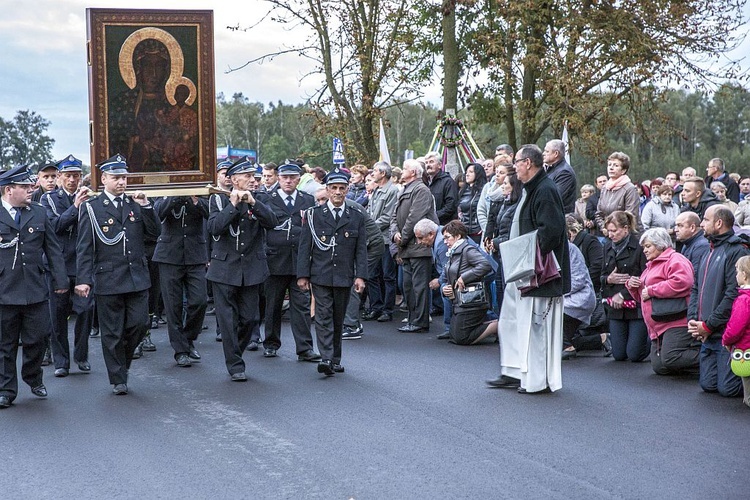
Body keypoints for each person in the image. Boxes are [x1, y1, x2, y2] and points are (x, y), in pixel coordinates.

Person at [487, 144, 570, 394]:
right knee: (511, 322)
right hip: (521, 268)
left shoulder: (545, 190)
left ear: (529, 163)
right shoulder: (529, 188)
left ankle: (536, 380)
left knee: (535, 327)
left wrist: (528, 258)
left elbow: (552, 232)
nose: (514, 167)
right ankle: (513, 371)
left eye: (517, 162)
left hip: (537, 272)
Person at [75, 154, 160, 395]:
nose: (122, 182)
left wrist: (146, 206)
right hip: (109, 278)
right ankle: (118, 378)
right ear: (104, 179)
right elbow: (84, 247)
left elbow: (155, 233)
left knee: (139, 323)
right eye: (116, 177)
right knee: (112, 332)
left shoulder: (134, 204)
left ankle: (122, 362)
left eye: (124, 177)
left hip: (136, 277)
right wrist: (83, 279)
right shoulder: (91, 208)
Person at [0, 165, 67, 409]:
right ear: (9, 190)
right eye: (25, 186)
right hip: (4, 290)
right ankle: (6, 390)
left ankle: (33, 376)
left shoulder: (38, 213)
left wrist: (61, 281)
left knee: (37, 338)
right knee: (5, 344)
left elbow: (53, 249)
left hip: (35, 289)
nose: (31, 189)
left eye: (30, 185)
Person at [206, 156, 278, 381]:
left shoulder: (261, 198)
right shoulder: (218, 200)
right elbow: (214, 228)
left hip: (251, 268)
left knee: (249, 319)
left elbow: (273, 222)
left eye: (253, 176)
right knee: (227, 320)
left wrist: (253, 203)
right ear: (234, 180)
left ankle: (236, 348)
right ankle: (235, 363)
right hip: (224, 268)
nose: (252, 180)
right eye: (247, 176)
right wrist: (234, 205)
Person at [297, 169, 367, 376]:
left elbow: (360, 248)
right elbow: (304, 247)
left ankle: (335, 358)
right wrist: (302, 275)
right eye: (334, 188)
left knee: (338, 317)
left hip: (344, 275)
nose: (338, 192)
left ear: (347, 190)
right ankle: (326, 357)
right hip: (320, 274)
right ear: (327, 190)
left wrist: (361, 275)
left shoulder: (355, 216)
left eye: (342, 188)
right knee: (323, 315)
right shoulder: (314, 215)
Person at [109, 38, 198, 172]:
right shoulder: (124, 102)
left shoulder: (172, 104)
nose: (154, 73)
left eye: (159, 66)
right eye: (148, 66)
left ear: (167, 69)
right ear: (138, 68)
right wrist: (138, 141)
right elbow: (116, 139)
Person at [261, 162, 321, 361]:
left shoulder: (307, 200)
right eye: (285, 177)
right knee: (273, 306)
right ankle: (270, 343)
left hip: (299, 262)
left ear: (298, 179)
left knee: (301, 307)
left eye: (292, 177)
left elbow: (312, 231)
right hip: (274, 260)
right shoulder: (268, 199)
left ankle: (304, 348)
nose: (288, 181)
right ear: (278, 178)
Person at [41, 155, 94, 377]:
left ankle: (81, 356)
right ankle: (61, 361)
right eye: (68, 175)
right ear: (61, 177)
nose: (72, 180)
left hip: (82, 263)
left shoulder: (90, 198)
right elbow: (55, 227)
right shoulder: (49, 199)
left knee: (85, 311)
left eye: (76, 175)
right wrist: (74, 207)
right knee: (58, 315)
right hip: (58, 265)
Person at [687, 205, 748, 397]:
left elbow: (732, 294)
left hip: (723, 335)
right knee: (708, 385)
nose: (702, 224)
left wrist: (709, 325)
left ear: (719, 223)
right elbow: (696, 287)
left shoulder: (735, 250)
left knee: (727, 389)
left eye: (705, 220)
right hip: (706, 333)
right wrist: (693, 321)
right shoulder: (708, 250)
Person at [626, 228, 700, 375]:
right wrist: (634, 287)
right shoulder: (651, 265)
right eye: (644, 247)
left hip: (676, 320)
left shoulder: (675, 259)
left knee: (670, 358)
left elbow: (683, 282)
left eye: (648, 246)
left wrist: (652, 290)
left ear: (660, 245)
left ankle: (711, 357)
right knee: (660, 367)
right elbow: (644, 297)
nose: (645, 251)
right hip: (658, 323)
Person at [152, 193, 209, 367]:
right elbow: (157, 215)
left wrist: (194, 198)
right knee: (173, 305)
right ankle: (181, 350)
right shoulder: (164, 196)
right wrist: (174, 196)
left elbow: (210, 215)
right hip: (169, 256)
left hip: (195, 254)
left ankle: (188, 337)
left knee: (200, 301)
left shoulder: (201, 195)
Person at [391, 159, 439, 333]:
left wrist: (401, 239)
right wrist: (394, 233)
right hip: (407, 247)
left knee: (419, 287)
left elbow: (414, 218)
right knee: (408, 286)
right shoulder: (405, 189)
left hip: (419, 247)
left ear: (413, 172)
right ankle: (413, 319)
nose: (402, 171)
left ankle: (420, 321)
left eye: (405, 168)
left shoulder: (421, 190)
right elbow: (394, 216)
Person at [601, 211, 649, 362]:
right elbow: (600, 275)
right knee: (619, 355)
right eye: (608, 231)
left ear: (626, 228)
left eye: (614, 231)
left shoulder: (639, 248)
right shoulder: (607, 247)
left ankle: (652, 342)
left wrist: (623, 294)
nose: (610, 235)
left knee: (634, 355)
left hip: (634, 306)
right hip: (615, 307)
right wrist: (608, 279)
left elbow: (644, 276)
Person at [440, 221, 497, 345]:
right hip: (460, 302)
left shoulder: (467, 249)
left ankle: (497, 326)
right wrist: (445, 288)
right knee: (454, 336)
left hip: (472, 301)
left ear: (458, 236)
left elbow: (485, 265)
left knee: (462, 338)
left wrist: (464, 278)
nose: (445, 241)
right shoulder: (452, 253)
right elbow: (445, 278)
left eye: (447, 237)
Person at [364, 161, 400, 322]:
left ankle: (388, 309)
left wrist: (369, 227)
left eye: (375, 171)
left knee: (387, 276)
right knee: (372, 275)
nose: (372, 174)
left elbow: (388, 216)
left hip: (385, 239)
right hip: (373, 239)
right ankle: (375, 307)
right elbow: (370, 212)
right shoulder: (377, 190)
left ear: (383, 173)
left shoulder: (392, 191)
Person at [485, 168, 523, 313]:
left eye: (506, 183)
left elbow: (510, 234)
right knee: (500, 289)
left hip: (508, 253)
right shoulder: (504, 204)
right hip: (501, 251)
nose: (502, 186)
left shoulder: (514, 206)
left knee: (507, 290)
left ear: (514, 187)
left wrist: (495, 242)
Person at [722, 255, 750, 408]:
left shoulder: (744, 299)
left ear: (744, 275)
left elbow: (735, 327)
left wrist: (726, 340)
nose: (736, 275)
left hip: (746, 349)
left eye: (737, 271)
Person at [561, 242, 597, 360]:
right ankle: (602, 339)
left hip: (579, 297)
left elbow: (578, 280)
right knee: (566, 338)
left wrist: (555, 293)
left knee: (548, 312)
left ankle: (567, 348)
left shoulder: (571, 249)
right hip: (563, 298)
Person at [595, 152, 640, 233]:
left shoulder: (630, 189)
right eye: (609, 165)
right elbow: (599, 214)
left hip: (626, 235)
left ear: (623, 170)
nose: (611, 168)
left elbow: (631, 216)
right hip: (608, 235)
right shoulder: (605, 188)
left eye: (616, 165)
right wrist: (604, 228)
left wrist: (615, 230)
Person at [542, 139, 577, 214]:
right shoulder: (549, 170)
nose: (543, 154)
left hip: (560, 218)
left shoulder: (565, 173)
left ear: (556, 154)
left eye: (547, 151)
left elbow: (554, 197)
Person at [424, 151, 458, 225]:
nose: (428, 165)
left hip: (444, 226)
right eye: (426, 163)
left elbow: (450, 206)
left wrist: (433, 217)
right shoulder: (425, 183)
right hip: (429, 225)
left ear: (439, 165)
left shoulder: (448, 182)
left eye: (431, 162)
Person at [457, 162, 487, 243]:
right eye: (466, 172)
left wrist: (483, 227)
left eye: (471, 172)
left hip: (478, 232)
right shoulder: (463, 191)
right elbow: (460, 212)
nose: (467, 174)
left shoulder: (484, 190)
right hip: (464, 232)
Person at [674, 212, 710, 277]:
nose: (676, 230)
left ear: (692, 227)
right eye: (676, 226)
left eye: (680, 226)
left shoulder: (701, 245)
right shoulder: (687, 241)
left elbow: (695, 276)